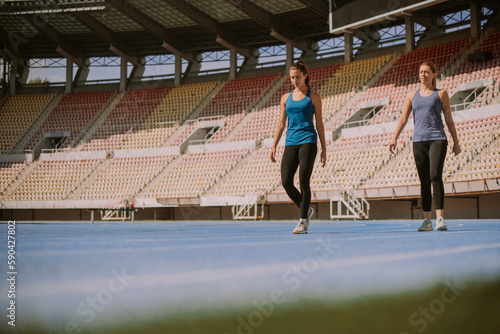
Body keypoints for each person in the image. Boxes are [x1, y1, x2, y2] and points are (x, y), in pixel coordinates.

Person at [389, 60, 461, 231]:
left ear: (434, 74)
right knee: (424, 180)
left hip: (437, 139)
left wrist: (456, 142)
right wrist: (394, 138)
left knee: (435, 175)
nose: (423, 75)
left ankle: (440, 218)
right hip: (418, 141)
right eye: (421, 72)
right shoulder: (411, 95)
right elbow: (403, 119)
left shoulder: (441, 94)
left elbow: (449, 120)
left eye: (427, 72)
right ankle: (427, 220)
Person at [271, 60, 327, 234]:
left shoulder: (314, 97)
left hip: (308, 141)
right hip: (290, 142)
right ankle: (306, 209)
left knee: (304, 179)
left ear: (305, 76)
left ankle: (303, 221)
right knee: (286, 182)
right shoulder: (285, 98)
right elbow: (281, 124)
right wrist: (274, 146)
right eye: (292, 77)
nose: (294, 80)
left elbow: (319, 123)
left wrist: (324, 148)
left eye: (297, 77)